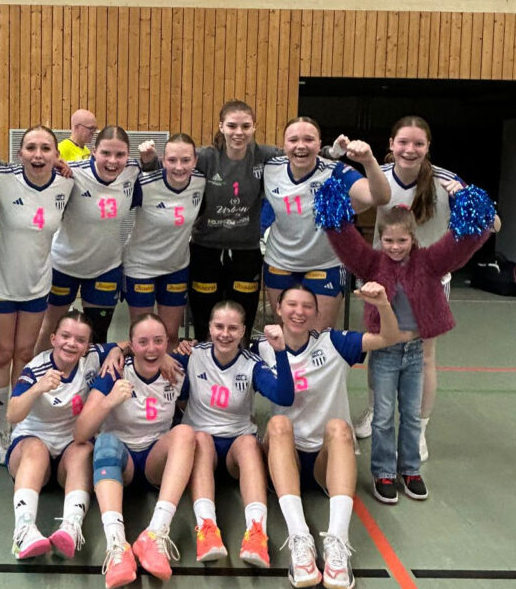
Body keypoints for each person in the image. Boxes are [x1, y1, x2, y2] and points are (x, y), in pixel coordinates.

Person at [324, 196, 498, 507]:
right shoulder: (372, 264)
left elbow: (458, 247)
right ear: (380, 239)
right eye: (388, 241)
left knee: (412, 415)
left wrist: (475, 215)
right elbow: (347, 243)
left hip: (416, 353)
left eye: (401, 241)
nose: (394, 247)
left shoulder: (429, 262)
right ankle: (383, 473)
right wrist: (333, 213)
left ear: (413, 238)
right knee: (382, 417)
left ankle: (410, 469)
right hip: (385, 354)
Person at [352, 115, 487, 461]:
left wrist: (467, 198)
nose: (409, 149)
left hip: (428, 282)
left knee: (425, 357)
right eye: (403, 142)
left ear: (428, 147)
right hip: (384, 282)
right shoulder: (379, 176)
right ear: (391, 145)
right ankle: (374, 411)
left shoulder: (445, 180)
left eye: (418, 143)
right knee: (381, 350)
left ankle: (419, 429)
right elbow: (349, 207)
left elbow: (493, 223)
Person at [257, 281, 404, 589]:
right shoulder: (263, 347)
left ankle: (338, 542)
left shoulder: (334, 343)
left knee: (339, 427)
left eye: (307, 306)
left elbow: (389, 337)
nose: (299, 311)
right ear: (278, 309)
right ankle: (300, 539)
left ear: (316, 313)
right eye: (292, 304)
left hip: (326, 461)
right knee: (278, 424)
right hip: (286, 458)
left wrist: (382, 304)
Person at [74, 314, 196, 589]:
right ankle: (117, 546)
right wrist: (109, 401)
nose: (151, 349)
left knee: (186, 433)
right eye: (143, 342)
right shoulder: (114, 372)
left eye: (158, 341)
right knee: (104, 441)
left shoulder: (177, 370)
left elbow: (214, 350)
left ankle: (154, 534)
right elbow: (80, 433)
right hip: (121, 461)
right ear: (131, 344)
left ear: (167, 342)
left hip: (155, 460)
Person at [148, 100, 278, 342]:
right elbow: (171, 168)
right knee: (204, 318)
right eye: (232, 126)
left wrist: (332, 153)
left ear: (254, 127)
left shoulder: (264, 156)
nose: (239, 132)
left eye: (245, 126)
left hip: (246, 252)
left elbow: (301, 155)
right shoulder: (206, 157)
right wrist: (148, 162)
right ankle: (204, 359)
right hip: (205, 250)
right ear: (221, 126)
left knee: (243, 317)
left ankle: (241, 360)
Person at [0, 125, 74, 463]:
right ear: (19, 153)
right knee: (2, 353)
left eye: (46, 148)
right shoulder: (2, 178)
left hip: (37, 282)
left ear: (56, 155)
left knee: (25, 353)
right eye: (31, 147)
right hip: (1, 280)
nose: (38, 154)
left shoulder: (66, 184)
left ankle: (18, 422)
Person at [178, 301, 294, 567]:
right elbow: (152, 359)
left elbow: (284, 396)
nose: (225, 334)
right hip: (201, 451)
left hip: (236, 453)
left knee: (249, 443)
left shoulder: (252, 364)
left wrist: (280, 351)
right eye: (219, 326)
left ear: (243, 331)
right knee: (201, 438)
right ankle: (207, 529)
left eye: (232, 328)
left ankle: (256, 532)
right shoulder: (193, 355)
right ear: (209, 328)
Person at [262, 117, 390, 331]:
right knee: (287, 333)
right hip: (279, 261)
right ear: (283, 145)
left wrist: (369, 161)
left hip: (324, 264)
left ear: (319, 144)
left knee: (319, 336)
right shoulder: (270, 168)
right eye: (293, 140)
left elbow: (379, 197)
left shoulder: (334, 171)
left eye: (308, 139)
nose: (301, 146)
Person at [6, 311, 115, 561]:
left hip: (68, 447)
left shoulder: (92, 358)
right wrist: (38, 388)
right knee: (35, 449)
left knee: (83, 449)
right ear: (53, 339)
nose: (71, 344)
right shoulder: (36, 368)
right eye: (65, 336)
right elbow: (12, 414)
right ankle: (24, 530)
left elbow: (126, 345)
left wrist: (117, 352)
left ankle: (70, 527)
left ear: (87, 346)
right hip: (32, 445)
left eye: (80, 340)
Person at [35, 125, 140, 349]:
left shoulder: (132, 171)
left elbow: (159, 171)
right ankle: (39, 369)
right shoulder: (72, 173)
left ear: (128, 156)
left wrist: (150, 161)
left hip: (105, 268)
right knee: (50, 329)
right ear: (93, 151)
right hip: (64, 266)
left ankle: (90, 372)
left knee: (98, 335)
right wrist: (51, 165)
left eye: (120, 154)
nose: (112, 161)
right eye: (105, 153)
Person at [123, 134, 206, 348]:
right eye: (172, 160)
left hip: (175, 267)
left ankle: (168, 371)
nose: (179, 167)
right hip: (140, 268)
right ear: (163, 160)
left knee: (170, 336)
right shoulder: (145, 184)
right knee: (143, 336)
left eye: (185, 160)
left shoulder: (200, 182)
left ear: (195, 160)